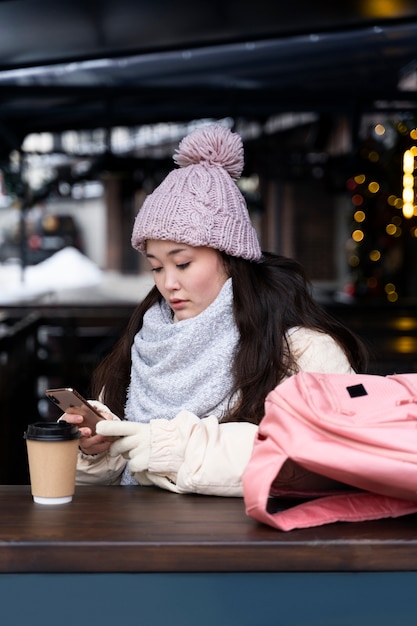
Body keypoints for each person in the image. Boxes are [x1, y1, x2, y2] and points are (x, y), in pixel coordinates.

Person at [63, 123, 368, 496]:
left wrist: (168, 448)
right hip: (140, 548)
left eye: (183, 263)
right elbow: (114, 484)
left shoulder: (304, 350)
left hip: (257, 548)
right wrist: (99, 452)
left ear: (231, 258)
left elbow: (327, 457)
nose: (167, 283)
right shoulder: (144, 346)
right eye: (157, 266)